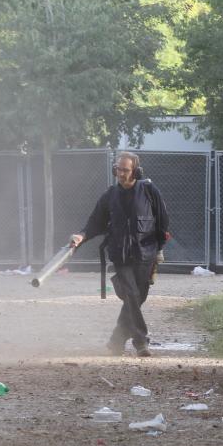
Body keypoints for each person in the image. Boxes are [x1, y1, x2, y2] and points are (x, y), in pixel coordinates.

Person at [70, 152, 169, 357]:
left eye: (125, 170)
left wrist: (159, 249)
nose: (120, 173)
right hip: (120, 255)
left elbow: (162, 220)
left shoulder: (149, 190)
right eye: (118, 169)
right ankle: (141, 341)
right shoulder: (110, 195)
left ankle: (116, 340)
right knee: (131, 294)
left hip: (145, 253)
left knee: (137, 298)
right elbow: (95, 222)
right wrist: (81, 236)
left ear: (136, 171)